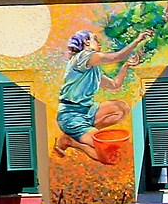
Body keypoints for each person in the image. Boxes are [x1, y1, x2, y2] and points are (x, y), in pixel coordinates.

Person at [52, 29, 140, 160]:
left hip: (88, 111)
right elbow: (116, 57)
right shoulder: (83, 57)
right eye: (95, 39)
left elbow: (114, 85)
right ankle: (73, 142)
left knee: (121, 108)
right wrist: (138, 40)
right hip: (70, 116)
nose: (99, 43)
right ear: (86, 42)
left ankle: (79, 134)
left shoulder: (93, 68)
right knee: (108, 154)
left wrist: (126, 66)